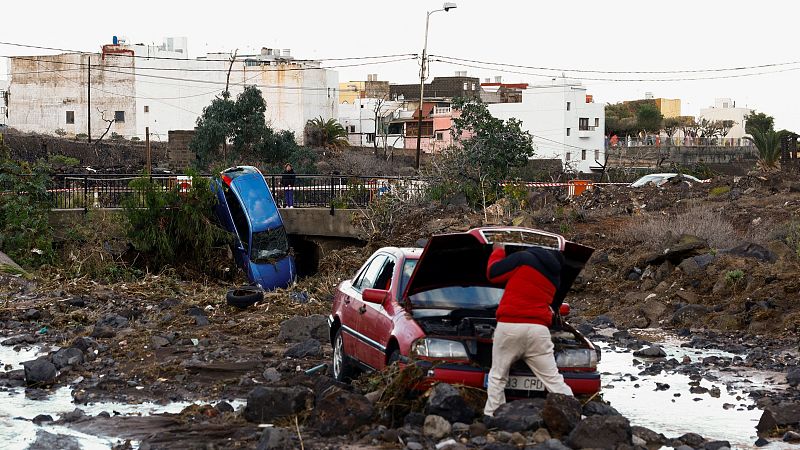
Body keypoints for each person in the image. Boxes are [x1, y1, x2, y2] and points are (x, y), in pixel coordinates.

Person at [483, 244, 573, 418]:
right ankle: (573, 414)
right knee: (553, 380)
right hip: (538, 330)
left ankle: (492, 415)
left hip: (510, 325)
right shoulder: (556, 275)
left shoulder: (523, 258)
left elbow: (493, 273)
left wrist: (498, 250)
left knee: (498, 375)